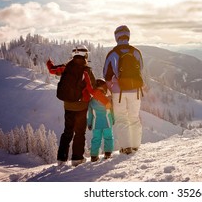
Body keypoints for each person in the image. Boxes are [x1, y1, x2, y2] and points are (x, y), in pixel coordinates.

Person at [47, 45, 111, 166]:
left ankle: (61, 159)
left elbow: (52, 70)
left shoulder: (66, 67)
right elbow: (92, 90)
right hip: (81, 107)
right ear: (85, 55)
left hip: (68, 105)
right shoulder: (86, 70)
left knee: (67, 132)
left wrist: (49, 63)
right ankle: (77, 159)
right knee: (80, 132)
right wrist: (106, 101)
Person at [103, 25, 144, 154]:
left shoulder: (112, 53)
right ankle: (135, 145)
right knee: (134, 117)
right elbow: (141, 69)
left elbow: (106, 74)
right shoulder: (136, 52)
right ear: (128, 35)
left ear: (116, 37)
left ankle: (126, 147)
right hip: (135, 91)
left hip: (118, 92)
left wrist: (112, 85)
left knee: (121, 118)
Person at [87, 78, 114, 162]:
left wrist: (89, 123)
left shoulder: (91, 101)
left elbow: (90, 114)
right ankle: (108, 153)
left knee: (96, 139)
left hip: (96, 124)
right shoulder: (107, 100)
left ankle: (94, 156)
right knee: (108, 138)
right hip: (107, 123)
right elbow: (111, 111)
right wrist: (113, 119)